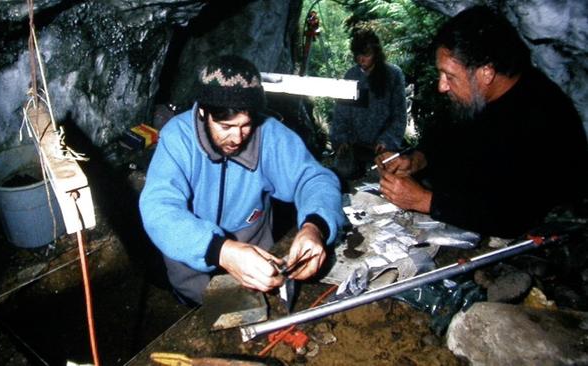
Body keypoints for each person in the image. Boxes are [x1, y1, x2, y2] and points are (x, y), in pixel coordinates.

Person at [139, 55, 346, 305]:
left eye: (246, 125)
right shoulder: (177, 138)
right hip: (194, 275)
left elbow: (315, 179)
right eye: (226, 126)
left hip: (260, 270)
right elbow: (157, 208)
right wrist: (221, 251)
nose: (237, 138)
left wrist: (315, 228)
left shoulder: (269, 134)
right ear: (204, 112)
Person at [376, 6, 588, 238]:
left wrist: (424, 201)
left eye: (450, 76)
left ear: (486, 72)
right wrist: (417, 160)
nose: (441, 86)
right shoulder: (476, 99)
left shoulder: (544, 118)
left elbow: (517, 215)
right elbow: (445, 140)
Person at [330, 28, 407, 179]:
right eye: (358, 55)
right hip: (354, 145)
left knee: (384, 179)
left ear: (376, 54)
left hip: (382, 146)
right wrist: (341, 140)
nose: (361, 59)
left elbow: (399, 116)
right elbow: (340, 115)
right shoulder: (351, 75)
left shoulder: (394, 75)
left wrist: (387, 140)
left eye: (366, 55)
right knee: (341, 174)